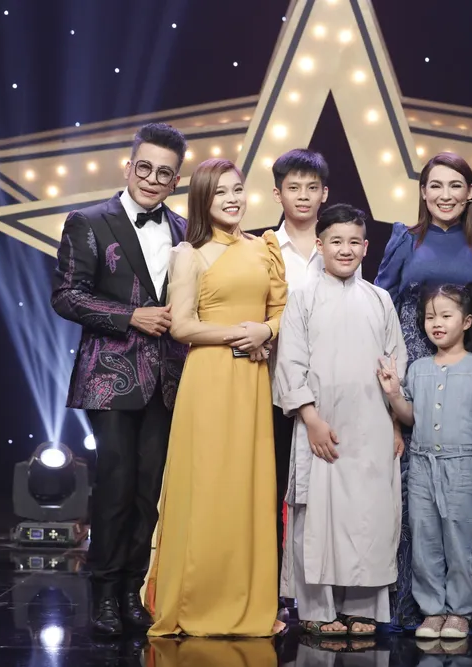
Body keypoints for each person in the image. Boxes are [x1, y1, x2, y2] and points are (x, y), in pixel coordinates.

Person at [51, 122, 188, 636]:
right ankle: (103, 595)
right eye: (144, 167)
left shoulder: (184, 231)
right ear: (128, 167)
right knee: (115, 486)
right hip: (109, 377)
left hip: (167, 378)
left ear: (176, 180)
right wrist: (131, 316)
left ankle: (133, 592)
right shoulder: (89, 221)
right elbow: (67, 296)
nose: (152, 179)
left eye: (164, 173)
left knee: (150, 490)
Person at [144, 158, 288, 637]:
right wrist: (241, 334)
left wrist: (265, 331)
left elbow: (281, 311)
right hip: (208, 379)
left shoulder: (265, 247)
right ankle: (197, 602)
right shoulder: (190, 254)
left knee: (248, 489)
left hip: (253, 379)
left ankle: (249, 604)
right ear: (203, 199)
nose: (232, 199)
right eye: (220, 191)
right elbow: (182, 326)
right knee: (208, 487)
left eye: (238, 189)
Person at [374, 151, 472, 629]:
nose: (445, 195)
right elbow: (381, 309)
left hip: (466, 380)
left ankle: (462, 607)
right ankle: (415, 605)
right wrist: (390, 400)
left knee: (460, 508)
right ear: (423, 192)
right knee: (415, 505)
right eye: (435, 186)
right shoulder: (406, 239)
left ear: (471, 193)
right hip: (410, 375)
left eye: (455, 185)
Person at [274, 203, 405, 638]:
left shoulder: (380, 299)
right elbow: (290, 363)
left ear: (366, 247)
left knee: (369, 513)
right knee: (316, 515)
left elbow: (395, 364)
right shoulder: (303, 298)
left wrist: (396, 423)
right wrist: (310, 418)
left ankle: (362, 606)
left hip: (372, 424)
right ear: (320, 244)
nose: (345, 250)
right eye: (336, 241)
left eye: (354, 242)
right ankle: (316, 608)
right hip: (321, 426)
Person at [377, 284, 472, 640]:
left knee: (459, 541)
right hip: (422, 465)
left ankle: (458, 613)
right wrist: (394, 394)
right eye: (430, 317)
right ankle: (432, 612)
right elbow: (410, 417)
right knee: (424, 538)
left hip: (463, 467)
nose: (436, 323)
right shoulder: (419, 368)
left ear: (467, 321)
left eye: (445, 315)